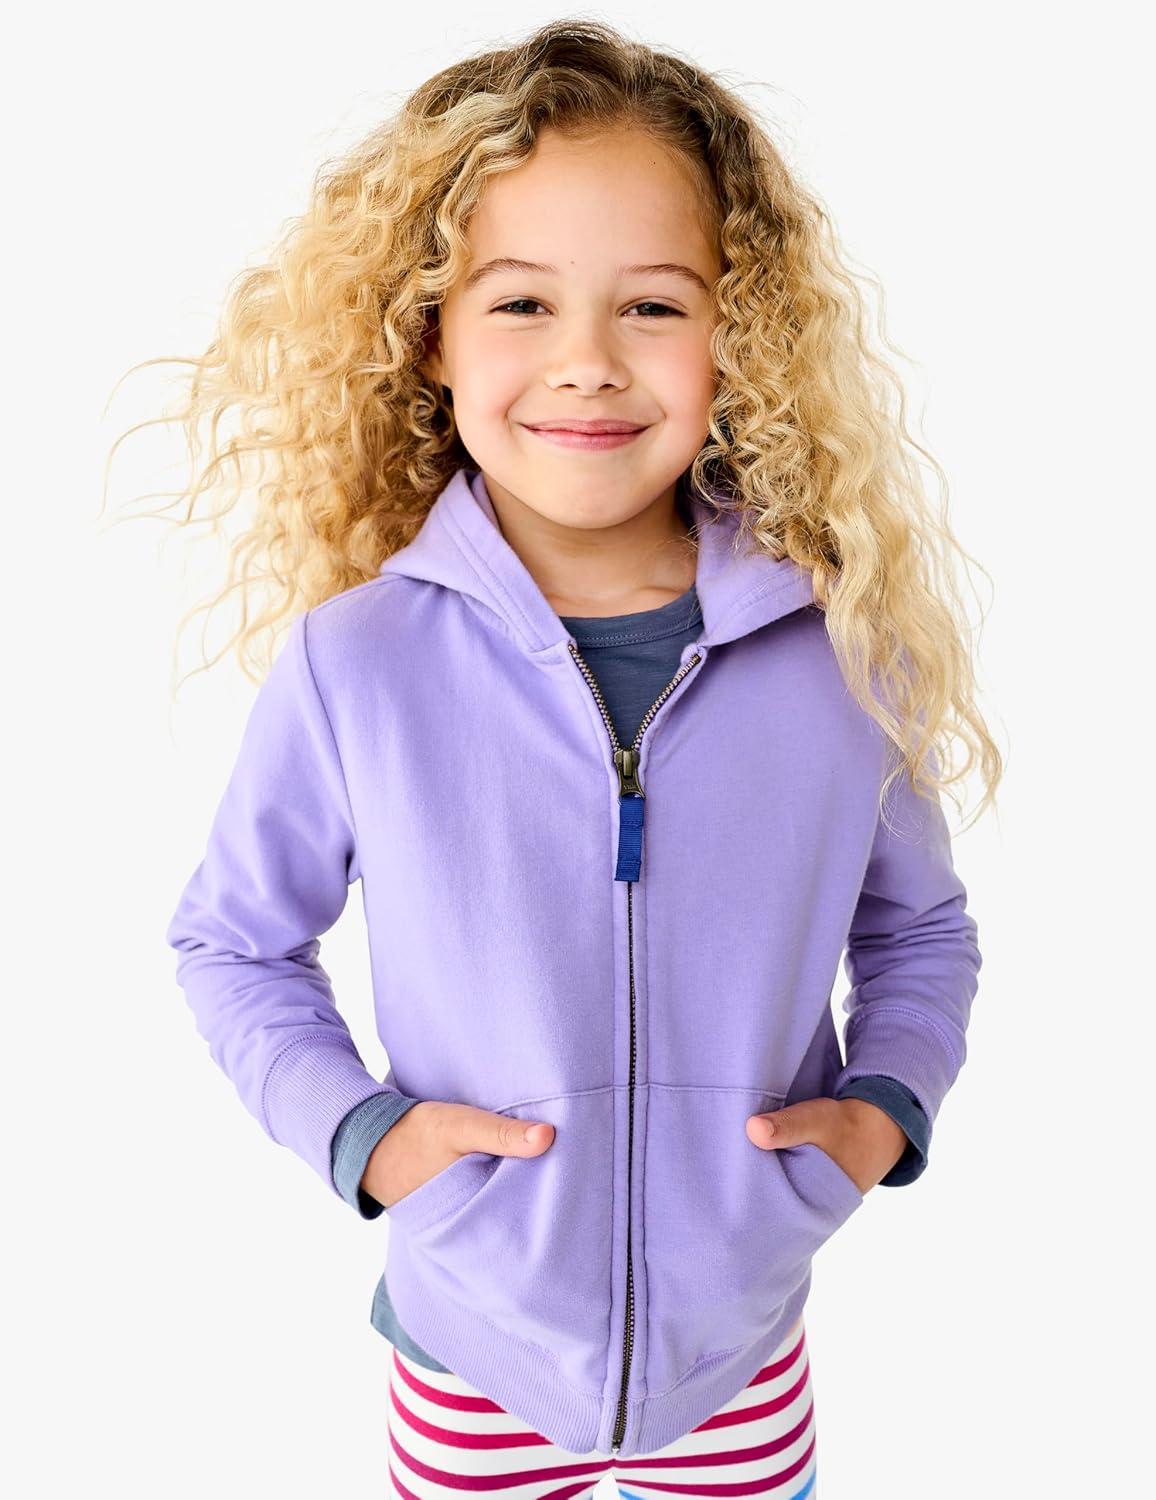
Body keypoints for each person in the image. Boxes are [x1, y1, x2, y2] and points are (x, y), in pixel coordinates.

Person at [140, 18, 1001, 1498]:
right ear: (433, 335)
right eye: (523, 302)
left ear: (741, 335)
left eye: (653, 305)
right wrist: (364, 1139)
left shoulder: (837, 651)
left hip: (741, 1347)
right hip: (469, 1342)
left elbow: (920, 929)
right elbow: (232, 941)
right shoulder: (360, 661)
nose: (588, 363)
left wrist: (883, 1115)